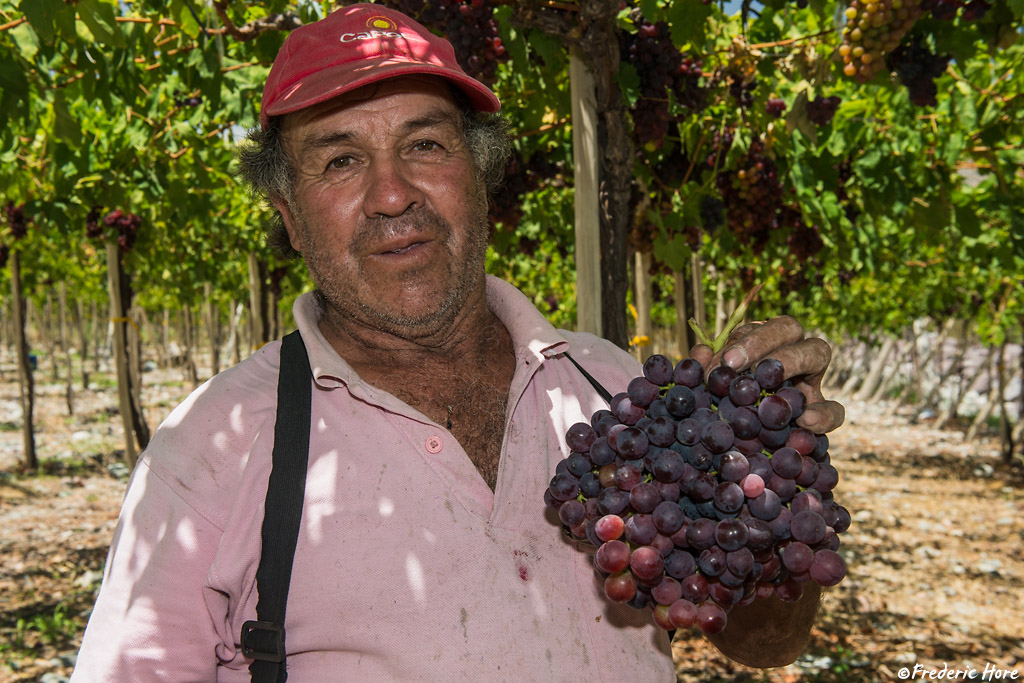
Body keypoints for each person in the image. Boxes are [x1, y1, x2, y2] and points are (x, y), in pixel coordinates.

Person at [71, 4, 844, 681]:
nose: (392, 194)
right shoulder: (215, 448)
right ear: (290, 216)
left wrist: (776, 476)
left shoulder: (614, 389)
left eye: (426, 145)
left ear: (483, 174)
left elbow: (766, 644)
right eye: (340, 160)